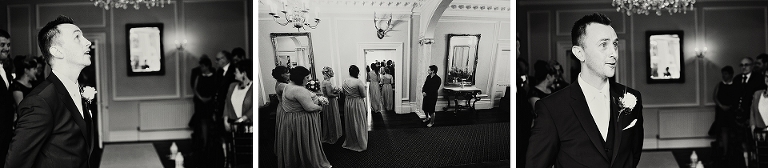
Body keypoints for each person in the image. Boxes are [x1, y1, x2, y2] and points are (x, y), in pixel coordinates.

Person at [526, 13, 644, 168]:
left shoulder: (631, 98)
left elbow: (633, 154)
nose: (614, 53)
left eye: (615, 45)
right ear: (579, 53)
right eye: (603, 45)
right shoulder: (552, 108)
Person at [6, 15, 96, 168]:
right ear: (57, 51)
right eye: (77, 37)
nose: (87, 42)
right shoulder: (40, 102)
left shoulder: (76, 92)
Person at [276, 66, 332, 167]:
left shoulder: (288, 86)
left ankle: (298, 160)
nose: (308, 79)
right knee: (306, 143)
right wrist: (320, 107)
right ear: (300, 78)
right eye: (307, 77)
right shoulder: (298, 90)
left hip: (291, 119)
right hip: (301, 121)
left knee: (297, 144)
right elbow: (309, 107)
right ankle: (308, 161)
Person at [188, 55, 216, 163]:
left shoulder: (214, 75)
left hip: (210, 102)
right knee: (202, 122)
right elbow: (195, 88)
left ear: (207, 66)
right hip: (200, 102)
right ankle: (204, 143)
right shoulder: (199, 76)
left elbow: (215, 88)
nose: (201, 68)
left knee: (210, 121)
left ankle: (209, 143)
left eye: (203, 66)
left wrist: (209, 98)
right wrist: (201, 98)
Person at [342, 65, 368, 151]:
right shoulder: (358, 82)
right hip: (357, 103)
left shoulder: (345, 81)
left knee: (351, 121)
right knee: (359, 120)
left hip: (348, 103)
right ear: (357, 72)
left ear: (349, 72)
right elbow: (363, 95)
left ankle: (351, 140)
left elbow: (343, 92)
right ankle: (361, 141)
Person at [223, 60, 253, 130]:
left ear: (243, 73)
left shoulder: (252, 87)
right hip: (233, 124)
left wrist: (241, 120)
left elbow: (253, 108)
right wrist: (225, 120)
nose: (234, 73)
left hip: (248, 124)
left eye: (236, 71)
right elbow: (227, 104)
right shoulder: (232, 86)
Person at [0, 29, 13, 166]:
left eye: (8, 45)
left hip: (6, 131)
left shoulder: (5, 69)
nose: (6, 48)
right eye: (2, 45)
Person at [320, 67, 342, 144]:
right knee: (331, 117)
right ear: (329, 73)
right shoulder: (328, 83)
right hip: (330, 102)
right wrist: (337, 93)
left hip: (326, 101)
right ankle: (332, 135)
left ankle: (329, 134)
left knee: (328, 117)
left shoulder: (323, 81)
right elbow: (329, 94)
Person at [272, 66, 290, 154]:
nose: (289, 74)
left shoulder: (280, 83)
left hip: (282, 107)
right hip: (285, 109)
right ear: (282, 75)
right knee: (288, 131)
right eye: (287, 73)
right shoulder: (282, 85)